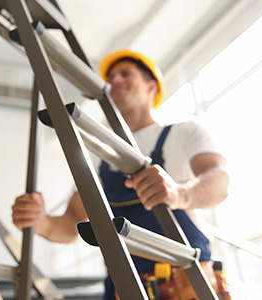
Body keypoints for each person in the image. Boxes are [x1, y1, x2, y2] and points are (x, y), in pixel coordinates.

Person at [12, 49, 230, 299]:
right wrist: (42, 222)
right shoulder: (98, 153)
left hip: (188, 283)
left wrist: (179, 193)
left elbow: (219, 180)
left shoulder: (184, 132)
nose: (114, 80)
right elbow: (72, 221)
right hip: (125, 287)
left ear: (152, 87)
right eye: (111, 76)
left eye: (125, 74)